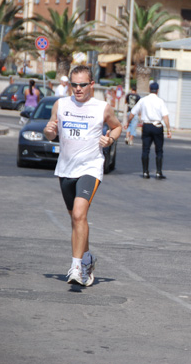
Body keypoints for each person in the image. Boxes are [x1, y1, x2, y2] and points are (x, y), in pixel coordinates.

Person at [43, 65, 122, 286]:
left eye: (82, 85)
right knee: (76, 219)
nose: (77, 89)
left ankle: (76, 267)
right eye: (74, 84)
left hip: (90, 167)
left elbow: (117, 127)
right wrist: (49, 132)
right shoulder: (60, 104)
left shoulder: (102, 108)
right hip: (66, 168)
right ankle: (87, 259)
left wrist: (110, 139)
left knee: (79, 214)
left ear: (91, 85)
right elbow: (51, 131)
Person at [125, 82, 171, 179]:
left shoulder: (143, 100)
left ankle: (145, 172)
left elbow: (133, 112)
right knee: (159, 150)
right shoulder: (160, 101)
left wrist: (128, 122)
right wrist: (168, 129)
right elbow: (165, 116)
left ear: (149, 89)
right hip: (157, 126)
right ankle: (159, 172)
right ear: (157, 91)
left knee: (145, 150)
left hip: (146, 126)